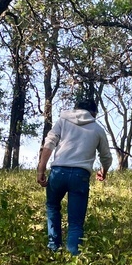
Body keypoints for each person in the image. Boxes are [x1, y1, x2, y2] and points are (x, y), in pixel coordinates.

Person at [37, 97, 112, 255]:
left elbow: (49, 142)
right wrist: (103, 171)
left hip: (58, 172)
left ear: (75, 108)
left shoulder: (62, 121)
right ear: (93, 112)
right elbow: (106, 156)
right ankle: (73, 256)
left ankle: (53, 248)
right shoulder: (97, 128)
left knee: (52, 207)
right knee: (76, 222)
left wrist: (41, 168)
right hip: (80, 175)